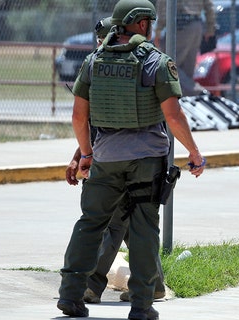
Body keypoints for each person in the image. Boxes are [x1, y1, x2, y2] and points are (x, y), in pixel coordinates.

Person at [57, 0, 206, 318]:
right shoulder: (156, 62)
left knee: (90, 223)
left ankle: (71, 296)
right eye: (149, 23)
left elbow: (78, 116)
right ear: (140, 24)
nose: (152, 28)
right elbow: (174, 117)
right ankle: (141, 305)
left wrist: (86, 154)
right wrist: (194, 153)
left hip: (105, 159)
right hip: (146, 161)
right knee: (143, 229)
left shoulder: (94, 60)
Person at [64, 16, 166, 306]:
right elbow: (94, 123)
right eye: (98, 40)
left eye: (104, 39)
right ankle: (153, 284)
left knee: (111, 224)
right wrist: (78, 156)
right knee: (131, 225)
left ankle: (90, 285)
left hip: (127, 160)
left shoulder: (135, 67)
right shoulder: (101, 65)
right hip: (107, 157)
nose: (99, 45)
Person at [154, 0, 215, 96]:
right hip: (197, 24)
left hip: (180, 25)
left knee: (168, 66)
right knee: (187, 70)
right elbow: (209, 6)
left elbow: (163, 7)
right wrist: (210, 28)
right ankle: (188, 99)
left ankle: (196, 91)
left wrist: (158, 30)